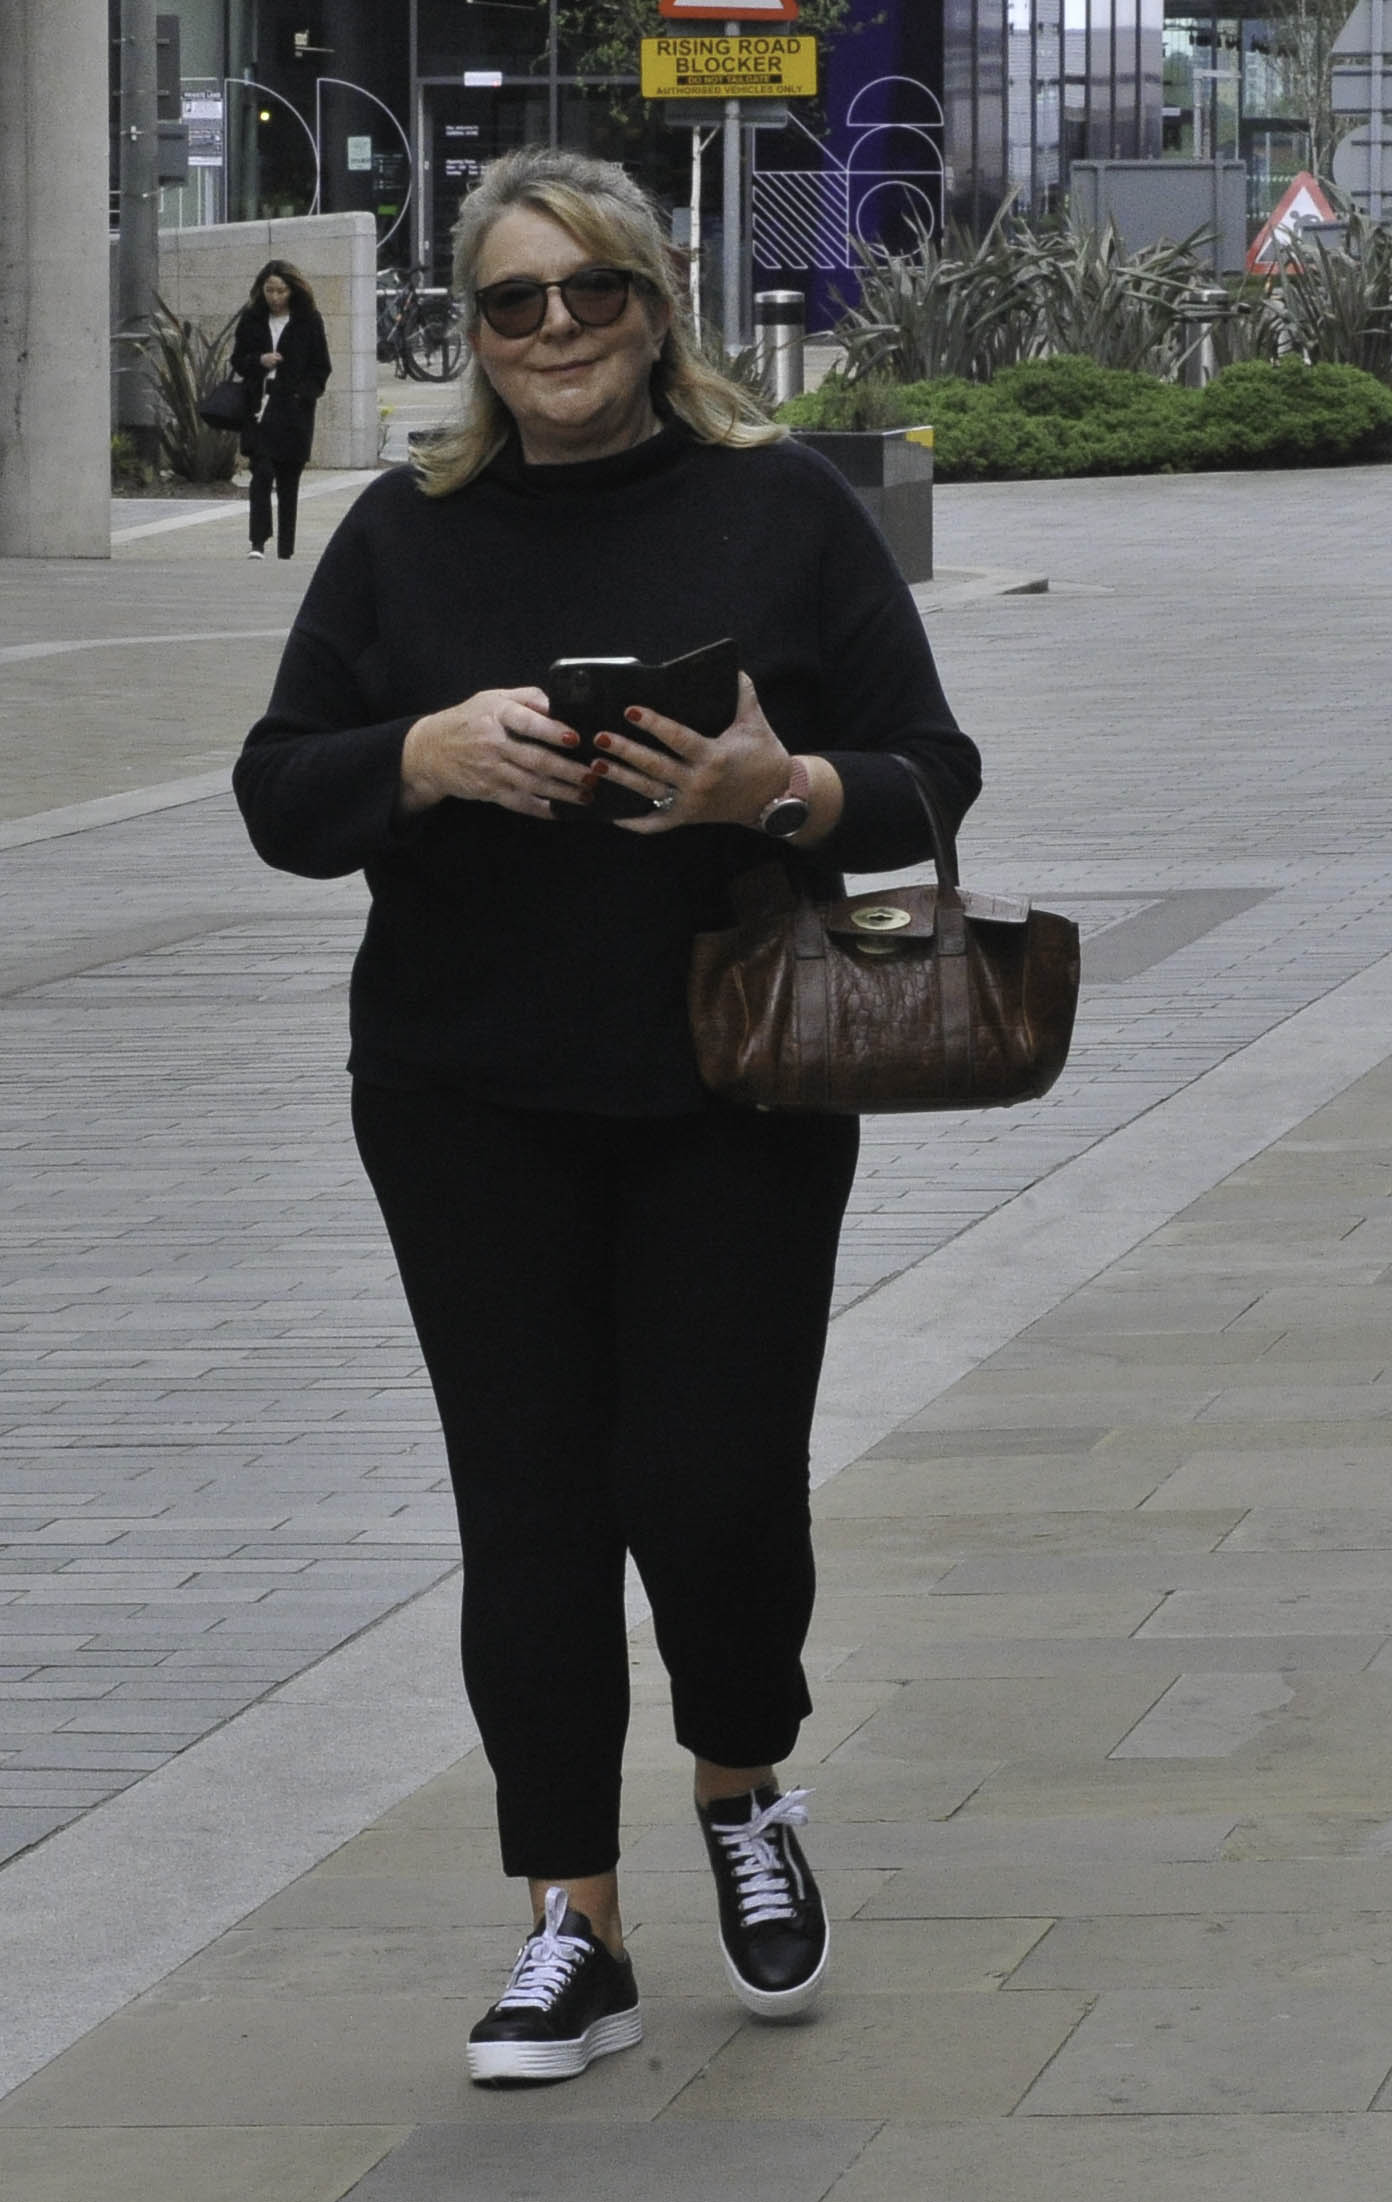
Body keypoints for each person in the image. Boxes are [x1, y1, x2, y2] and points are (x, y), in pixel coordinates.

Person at [233, 145, 980, 2089]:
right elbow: (278, 792)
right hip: (464, 1097)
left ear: (656, 306)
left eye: (592, 293)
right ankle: (573, 1922)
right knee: (534, 1514)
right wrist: (415, 752)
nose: (554, 330)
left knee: (713, 1482)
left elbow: (929, 774)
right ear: (470, 336)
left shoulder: (781, 508)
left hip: (736, 1084)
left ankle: (744, 1789)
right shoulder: (405, 536)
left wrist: (780, 791)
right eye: (511, 302)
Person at [230, 260, 332, 561]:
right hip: (260, 408)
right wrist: (259, 361)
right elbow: (237, 359)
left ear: (292, 290)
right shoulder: (252, 319)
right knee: (261, 473)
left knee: (289, 482)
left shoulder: (309, 320)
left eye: (280, 291)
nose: (274, 297)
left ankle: (286, 549)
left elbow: (321, 368)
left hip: (294, 412)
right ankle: (257, 542)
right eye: (269, 290)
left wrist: (303, 394)